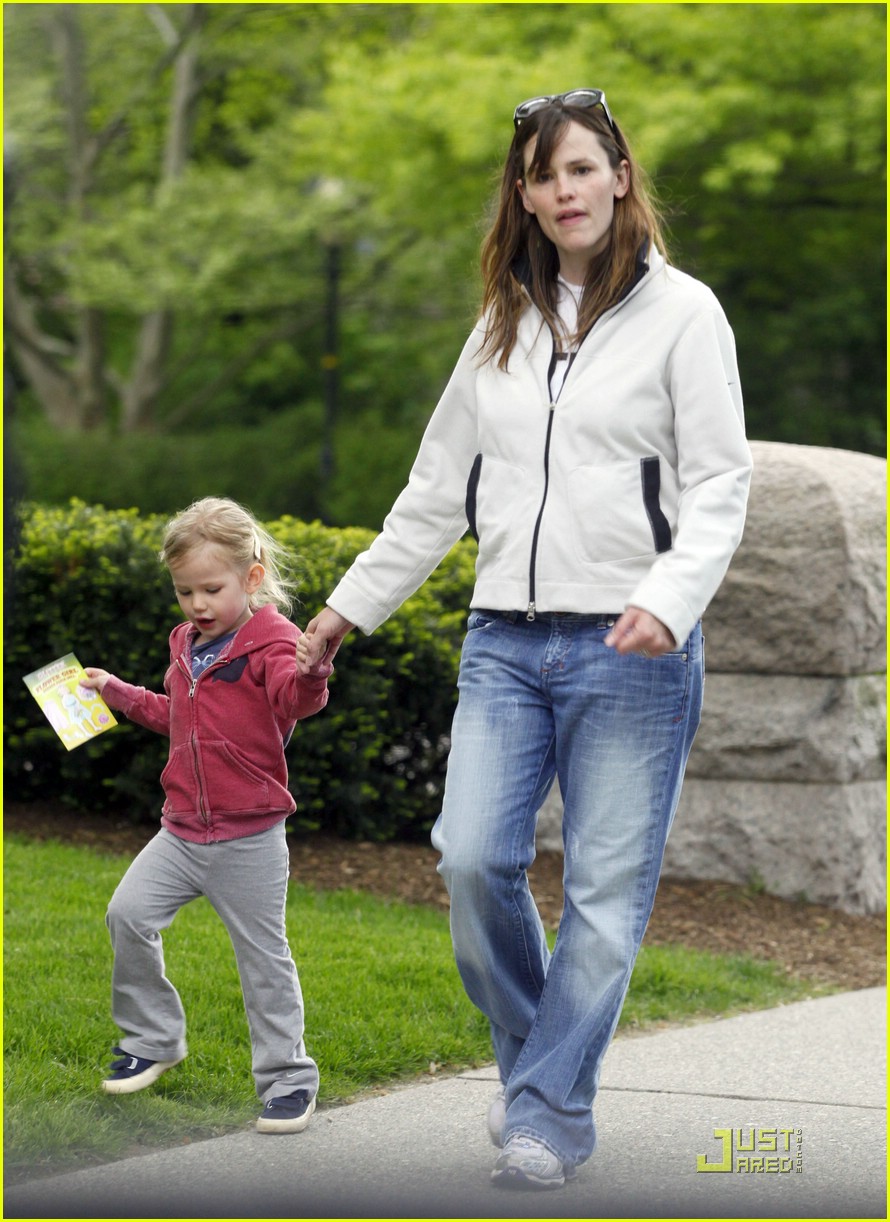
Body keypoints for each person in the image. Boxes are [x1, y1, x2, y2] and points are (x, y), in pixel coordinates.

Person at [298, 88, 752, 1188]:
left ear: (620, 177)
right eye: (544, 175)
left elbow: (719, 484)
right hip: (503, 638)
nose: (565, 189)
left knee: (602, 898)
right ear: (525, 195)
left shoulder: (685, 315)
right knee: (470, 859)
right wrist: (345, 609)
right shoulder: (501, 324)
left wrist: (669, 597)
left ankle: (546, 1114)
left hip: (633, 650)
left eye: (582, 167)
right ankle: (540, 1073)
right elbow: (432, 493)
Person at [82, 496, 332, 1135]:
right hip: (181, 831)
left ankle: (288, 1080)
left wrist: (313, 672)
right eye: (184, 591)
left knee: (263, 961)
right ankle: (153, 1039)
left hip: (250, 837)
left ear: (252, 577)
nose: (197, 604)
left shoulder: (273, 641)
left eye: (211, 590)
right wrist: (115, 691)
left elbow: (293, 701)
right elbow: (176, 716)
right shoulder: (184, 642)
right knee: (127, 915)